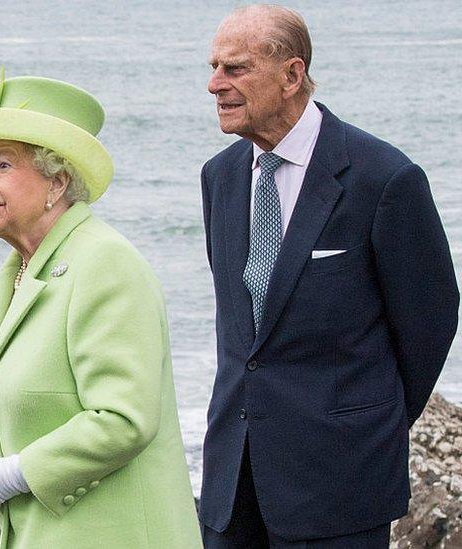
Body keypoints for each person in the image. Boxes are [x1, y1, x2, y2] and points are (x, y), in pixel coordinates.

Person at [200, 5, 459, 548]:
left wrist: (364, 422)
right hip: (232, 479)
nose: (214, 84)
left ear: (293, 75)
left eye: (235, 68)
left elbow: (430, 321)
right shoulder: (220, 177)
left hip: (341, 484)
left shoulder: (385, 178)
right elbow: (244, 330)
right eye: (214, 67)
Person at [0, 74, 202, 548]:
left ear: (56, 181)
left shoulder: (104, 263)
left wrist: (17, 473)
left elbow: (123, 418)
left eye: (2, 165)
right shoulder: (7, 284)